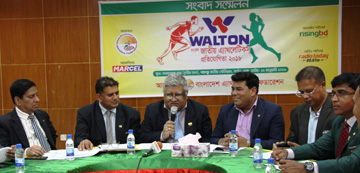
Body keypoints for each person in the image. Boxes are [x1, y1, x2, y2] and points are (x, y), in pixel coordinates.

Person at [272, 72, 360, 172]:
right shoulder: (340, 122)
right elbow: (318, 147)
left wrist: (308, 167)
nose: (334, 99)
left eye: (342, 93)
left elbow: (354, 162)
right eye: (333, 94)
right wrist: (287, 152)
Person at [210, 72, 285, 149]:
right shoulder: (226, 110)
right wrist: (224, 141)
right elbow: (213, 139)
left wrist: (247, 143)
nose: (234, 93)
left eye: (239, 89)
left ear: (253, 91)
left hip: (257, 158)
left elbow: (277, 142)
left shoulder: (272, 110)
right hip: (230, 157)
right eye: (233, 89)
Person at [139, 73, 212, 143]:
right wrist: (161, 135)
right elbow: (141, 137)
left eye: (178, 95)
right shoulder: (152, 110)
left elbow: (207, 139)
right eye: (169, 95)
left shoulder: (200, 110)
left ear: (186, 95)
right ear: (163, 95)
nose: (173, 99)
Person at [75, 76, 141, 150]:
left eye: (117, 93)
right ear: (99, 97)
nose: (115, 97)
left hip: (123, 156)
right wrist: (83, 141)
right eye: (110, 95)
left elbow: (138, 140)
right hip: (97, 157)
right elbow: (79, 138)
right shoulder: (86, 113)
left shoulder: (131, 114)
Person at [281, 66, 338, 148]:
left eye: (309, 91)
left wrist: (303, 151)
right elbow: (292, 141)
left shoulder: (337, 111)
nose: (305, 96)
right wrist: (285, 147)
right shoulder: (297, 112)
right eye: (301, 92)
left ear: (323, 85)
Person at [0, 79, 57, 157]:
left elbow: (52, 137)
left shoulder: (43, 115)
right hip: (26, 164)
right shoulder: (4, 122)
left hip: (51, 160)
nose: (37, 100)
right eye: (31, 96)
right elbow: (4, 151)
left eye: (37, 95)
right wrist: (26, 152)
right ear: (18, 100)